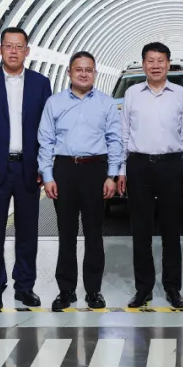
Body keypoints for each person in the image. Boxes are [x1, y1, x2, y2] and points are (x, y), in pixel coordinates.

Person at [0, 27, 52, 312]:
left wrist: (45, 165)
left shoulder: (41, 83)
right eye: (8, 46)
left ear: (27, 51)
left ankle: (24, 287)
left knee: (28, 232)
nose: (14, 51)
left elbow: (48, 129)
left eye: (19, 46)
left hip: (29, 168)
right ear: (0, 50)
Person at [38, 52, 122, 312]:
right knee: (66, 233)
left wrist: (111, 175)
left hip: (96, 170)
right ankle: (66, 291)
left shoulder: (107, 103)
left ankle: (94, 290)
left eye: (88, 70)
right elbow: (45, 141)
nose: (84, 74)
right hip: (64, 169)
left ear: (95, 73)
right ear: (69, 73)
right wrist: (48, 176)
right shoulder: (54, 103)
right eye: (79, 69)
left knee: (94, 234)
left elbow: (115, 140)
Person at [118, 42, 183, 309]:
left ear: (168, 64)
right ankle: (143, 288)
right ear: (143, 64)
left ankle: (173, 288)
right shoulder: (131, 93)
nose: (155, 65)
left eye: (160, 60)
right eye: (150, 60)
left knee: (171, 230)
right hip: (138, 165)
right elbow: (124, 133)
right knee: (141, 230)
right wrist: (121, 170)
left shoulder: (180, 94)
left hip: (170, 165)